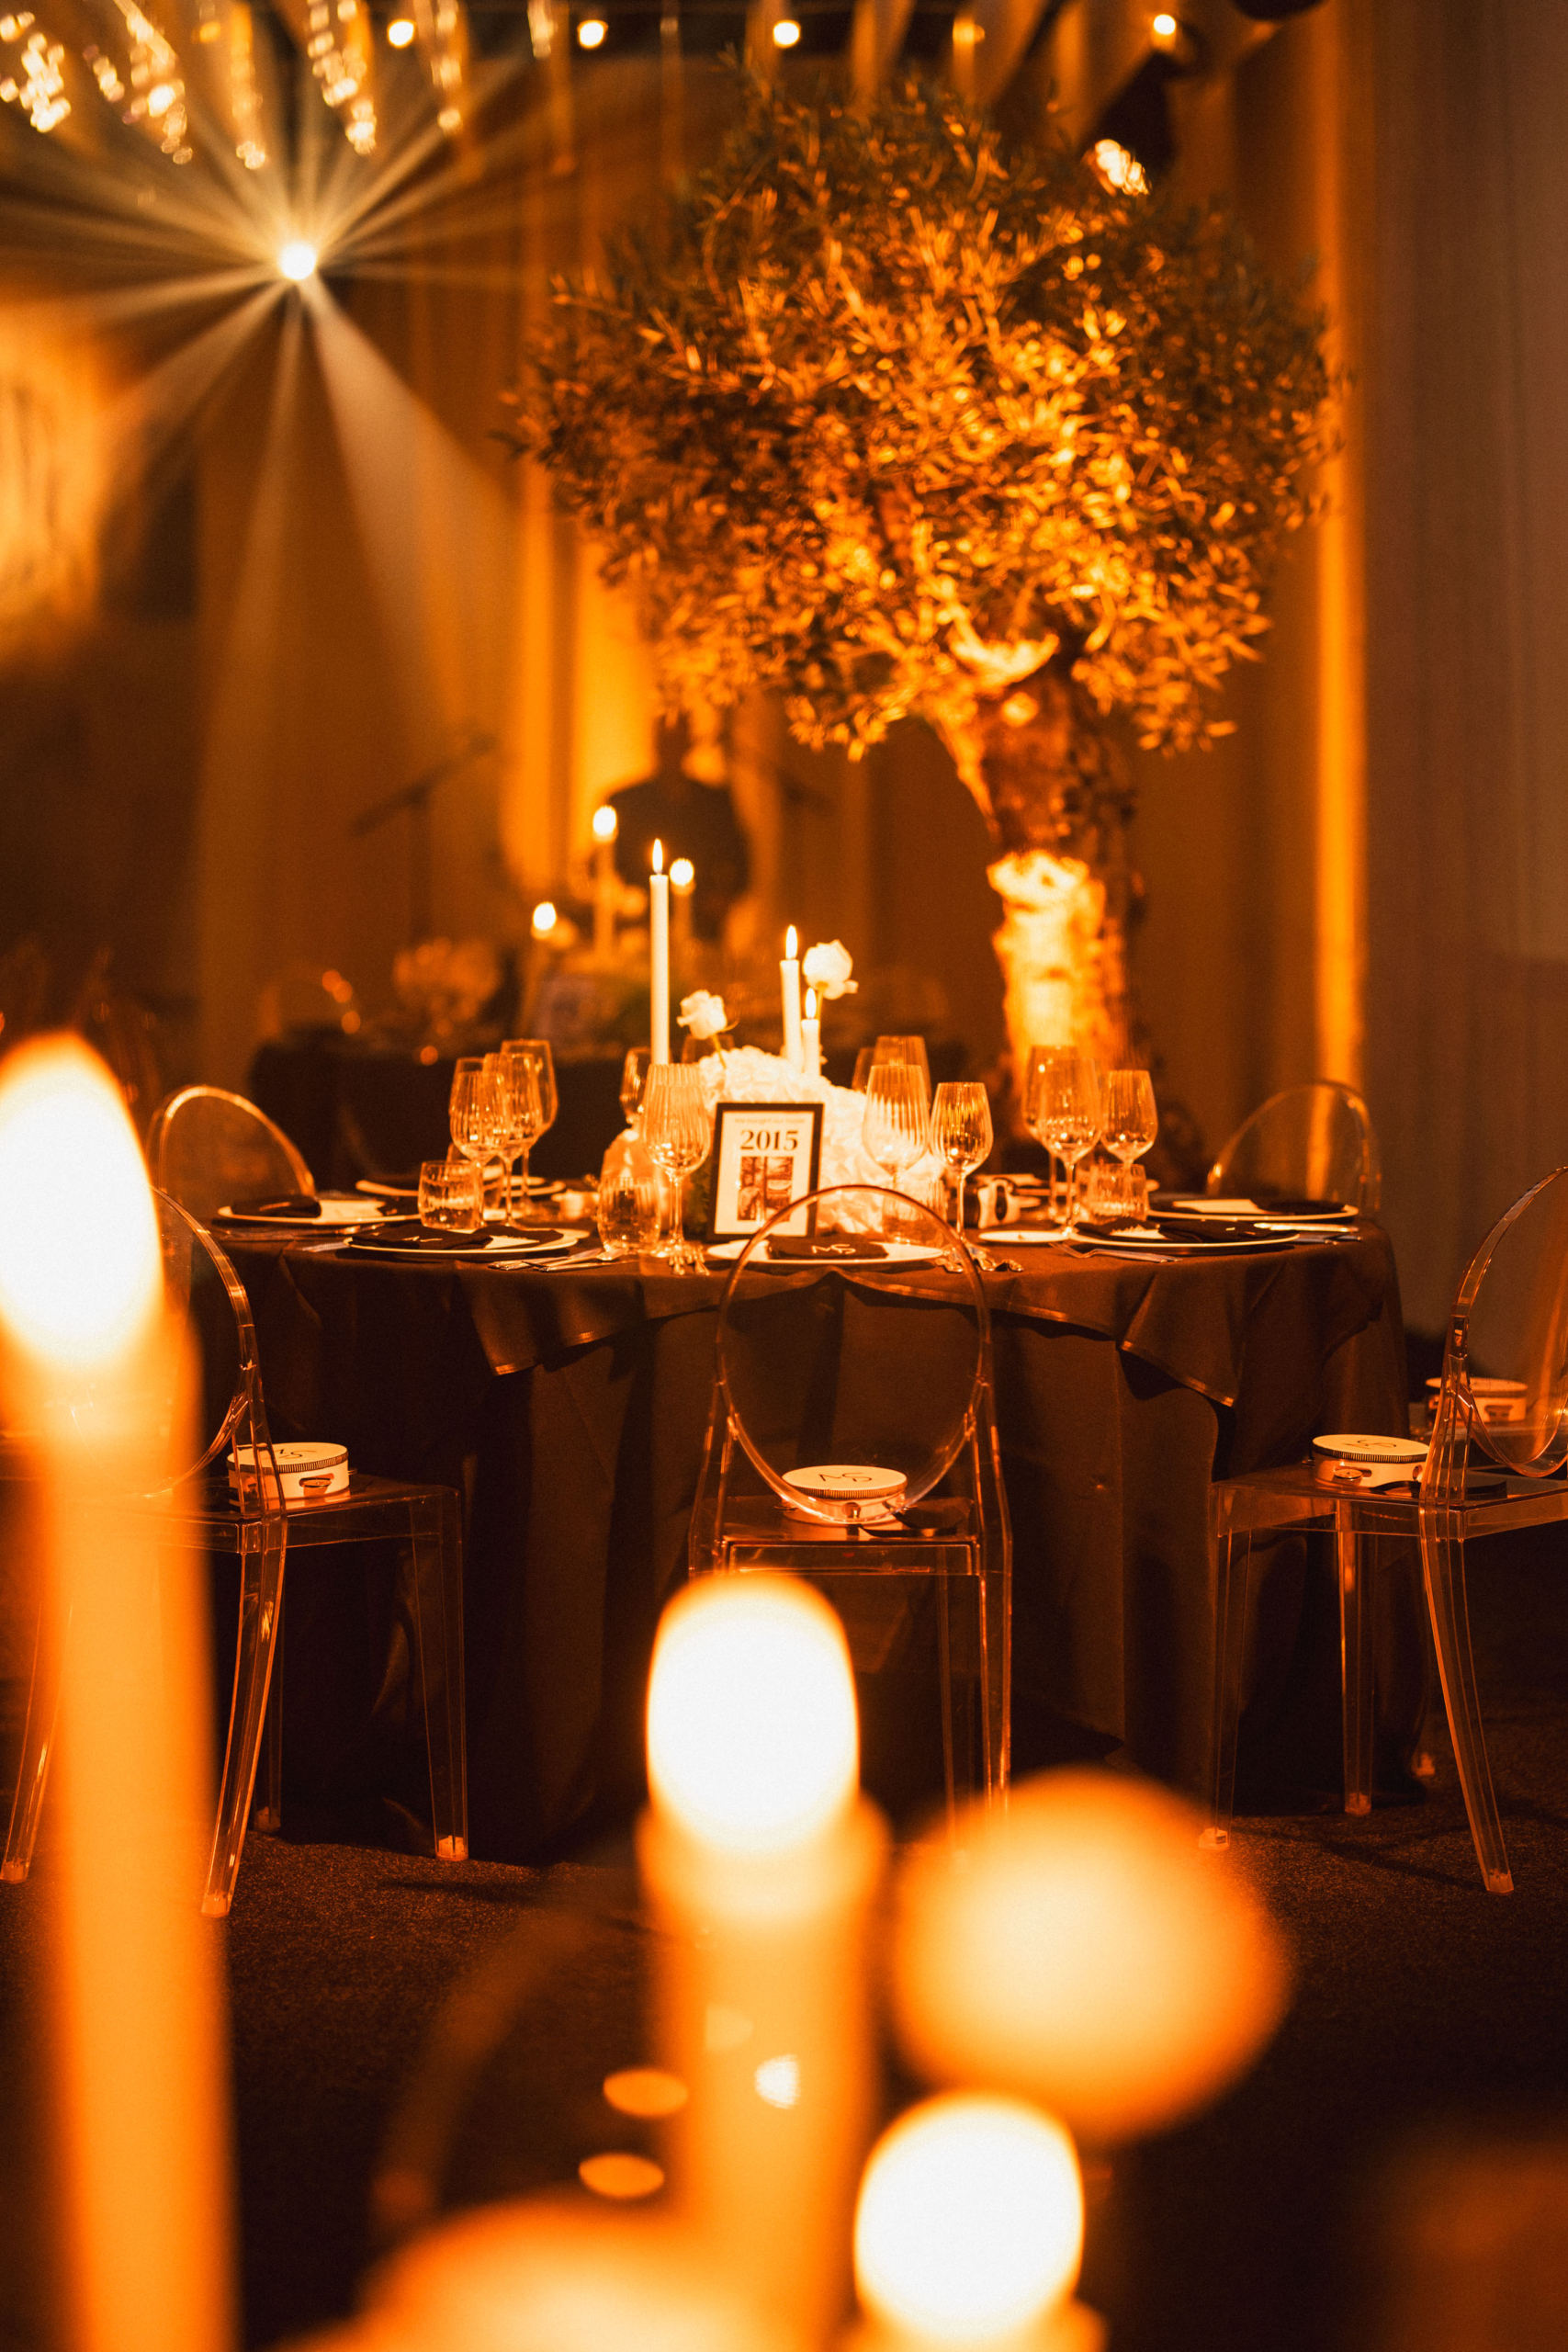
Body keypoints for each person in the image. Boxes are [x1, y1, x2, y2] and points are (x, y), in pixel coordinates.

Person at [609, 717, 750, 945]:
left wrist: (721, 897)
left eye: (677, 742)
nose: (671, 750)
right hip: (640, 928)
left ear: (689, 744)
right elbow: (609, 865)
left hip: (702, 928)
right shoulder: (626, 802)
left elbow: (739, 861)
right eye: (666, 742)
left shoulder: (714, 803)